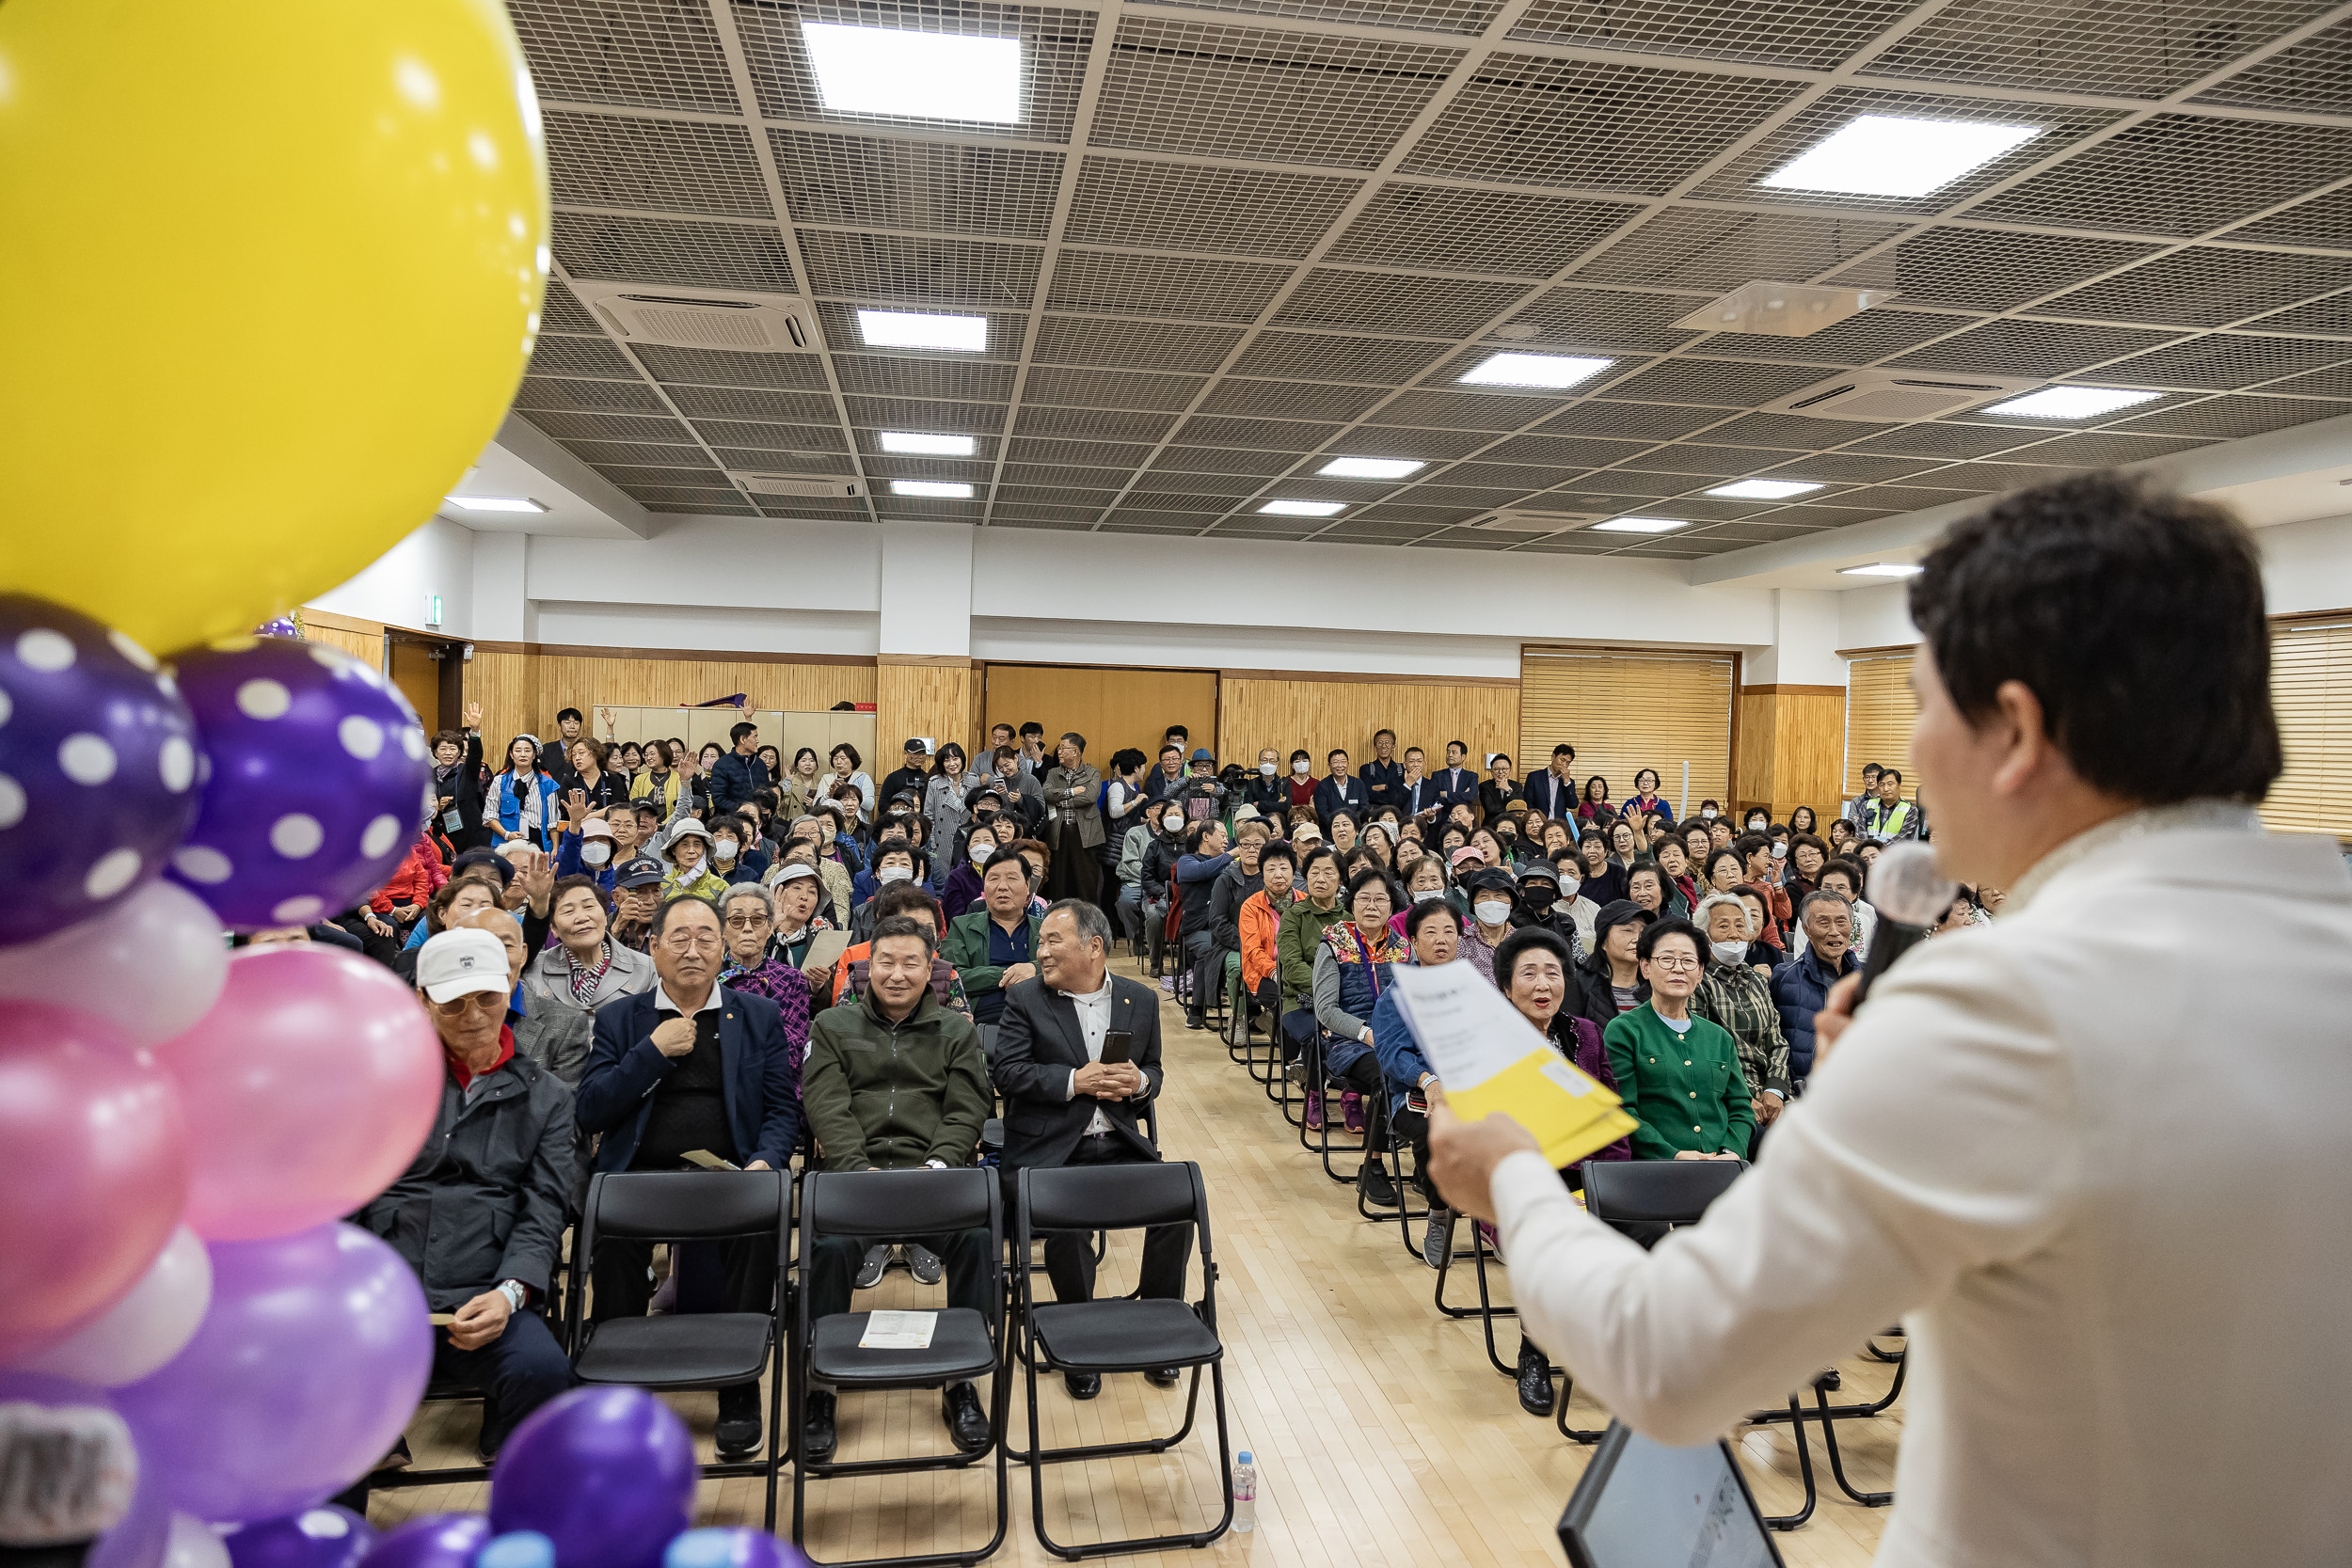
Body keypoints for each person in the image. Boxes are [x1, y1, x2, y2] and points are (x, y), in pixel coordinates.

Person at [1424, 473, 2352, 1568]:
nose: (1908, 752)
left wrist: (1516, 1177)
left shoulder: (2006, 1005)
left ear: (2012, 728)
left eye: (1919, 703)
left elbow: (1665, 1359)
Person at [575, 895, 803, 1460]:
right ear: (652, 947)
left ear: (724, 946)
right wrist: (652, 1052)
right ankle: (623, 1388)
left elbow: (781, 1110)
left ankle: (737, 1385)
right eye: (679, 938)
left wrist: (765, 1161)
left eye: (707, 937)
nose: (694, 950)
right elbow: (592, 1110)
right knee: (613, 1241)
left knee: (759, 1222)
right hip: (640, 1177)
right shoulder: (621, 1020)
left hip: (730, 1176)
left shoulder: (757, 1016)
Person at [360, 927, 575, 1463]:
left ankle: (527, 1524)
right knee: (323, 1382)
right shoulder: (381, 1084)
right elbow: (347, 1197)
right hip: (385, 1294)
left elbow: (545, 1207)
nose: (475, 1014)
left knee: (543, 1372)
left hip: (485, 1286)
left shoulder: (546, 1097)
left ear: (509, 986)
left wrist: (510, 1292)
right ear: (422, 1002)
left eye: (487, 996)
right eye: (453, 1002)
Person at [798, 915, 996, 1457]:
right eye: (886, 961)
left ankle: (963, 1381)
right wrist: (856, 1169)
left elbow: (967, 1109)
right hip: (854, 1180)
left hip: (932, 1181)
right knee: (828, 1248)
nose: (898, 973)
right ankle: (821, 1386)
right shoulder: (833, 1028)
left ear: (931, 969)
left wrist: (935, 1168)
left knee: (980, 1240)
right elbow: (826, 1106)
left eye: (912, 962)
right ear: (866, 968)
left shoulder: (956, 1030)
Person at [989, 900, 1184, 1398]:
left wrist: (1139, 1082)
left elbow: (1155, 1069)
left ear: (1093, 947)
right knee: (1068, 1223)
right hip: (1052, 1150)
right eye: (1040, 942)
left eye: (1054, 941)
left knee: (1179, 1204)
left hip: (1118, 1141)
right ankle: (1076, 1336)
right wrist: (1075, 1081)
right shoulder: (1027, 1000)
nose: (1042, 952)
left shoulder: (1139, 1000)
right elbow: (1007, 1073)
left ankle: (1159, 1330)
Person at [1310, 870, 1406, 1205]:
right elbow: (1325, 1010)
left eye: (1380, 899)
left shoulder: (1402, 948)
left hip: (1396, 1038)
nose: (1372, 906)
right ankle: (1374, 1166)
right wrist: (1365, 1033)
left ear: (1391, 905)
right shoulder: (1334, 943)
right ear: (1350, 903)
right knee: (1386, 1075)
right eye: (1364, 898)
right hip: (1348, 1042)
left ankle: (1426, 1165)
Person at [1690, 893, 1791, 1155]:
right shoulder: (1697, 982)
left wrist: (1776, 1090)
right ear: (1705, 935)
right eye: (1723, 926)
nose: (1734, 934)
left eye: (1739, 925)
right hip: (1725, 1096)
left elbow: (1777, 1041)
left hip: (1771, 1091)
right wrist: (1743, 1097)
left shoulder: (1757, 980)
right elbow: (1702, 1050)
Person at [523, 874, 657, 1034]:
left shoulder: (646, 969)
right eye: (568, 911)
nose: (581, 917)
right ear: (554, 929)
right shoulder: (533, 970)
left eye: (589, 907)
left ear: (606, 917)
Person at [940, 847, 1042, 1034]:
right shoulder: (962, 926)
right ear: (984, 886)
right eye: (993, 879)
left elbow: (1065, 967)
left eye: (1012, 878)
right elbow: (952, 976)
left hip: (1039, 1019)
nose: (1002, 886)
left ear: (1028, 885)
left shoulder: (1045, 929)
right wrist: (1007, 974)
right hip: (980, 1023)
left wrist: (1033, 969)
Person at [1770, 889, 1859, 1092]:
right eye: (1823, 922)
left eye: (1841, 921)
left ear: (1851, 926)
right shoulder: (1784, 976)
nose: (1834, 931)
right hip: (1804, 1091)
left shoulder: (1868, 980)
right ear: (1807, 929)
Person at [1276, 847, 1349, 1083]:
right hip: (1300, 1000)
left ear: (1340, 879)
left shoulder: (1349, 918)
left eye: (1329, 872)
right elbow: (1292, 965)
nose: (1320, 879)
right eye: (1314, 872)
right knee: (1315, 1036)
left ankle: (1351, 1095)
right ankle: (1315, 1096)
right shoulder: (1294, 915)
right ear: (1305, 877)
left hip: (1344, 1000)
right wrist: (1328, 991)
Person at [1239, 839, 1300, 1031]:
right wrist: (1274, 971)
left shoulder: (1305, 902)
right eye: (1271, 869)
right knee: (1285, 999)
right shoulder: (1251, 906)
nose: (1278, 875)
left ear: (1293, 871)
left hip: (1297, 971)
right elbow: (1252, 950)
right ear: (1262, 874)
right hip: (1262, 972)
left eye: (1284, 868)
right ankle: (1291, 1057)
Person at [1040, 731, 1104, 905]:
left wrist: (1062, 802)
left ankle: (1089, 922)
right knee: (1058, 882)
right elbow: (1046, 794)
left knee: (1087, 883)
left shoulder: (1093, 773)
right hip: (1059, 833)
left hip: (1085, 834)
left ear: (1075, 751)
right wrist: (1071, 792)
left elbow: (1090, 797)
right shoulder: (1053, 773)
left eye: (1063, 748)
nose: (1059, 752)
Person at [431, 704, 491, 851]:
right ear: (435, 753)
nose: (448, 753)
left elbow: (476, 755)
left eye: (453, 749)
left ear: (459, 753)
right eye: (443, 749)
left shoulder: (467, 770)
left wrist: (475, 731)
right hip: (443, 836)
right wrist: (437, 806)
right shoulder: (429, 776)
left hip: (473, 836)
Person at [489, 735, 558, 849]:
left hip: (537, 841)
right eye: (518, 750)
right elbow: (490, 815)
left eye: (527, 750)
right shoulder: (499, 781)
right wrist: (506, 834)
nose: (523, 754)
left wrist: (555, 848)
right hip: (506, 841)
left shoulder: (548, 783)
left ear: (534, 754)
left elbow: (553, 822)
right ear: (511, 754)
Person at [1457, 870, 1517, 983]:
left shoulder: (1523, 941)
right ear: (1473, 904)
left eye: (1499, 896)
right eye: (1483, 896)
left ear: (1511, 903)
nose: (1492, 902)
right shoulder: (1460, 941)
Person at [709, 719, 771, 820]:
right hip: (731, 820)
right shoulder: (722, 765)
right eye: (755, 737)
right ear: (742, 739)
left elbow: (766, 792)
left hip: (759, 820)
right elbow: (719, 799)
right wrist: (745, 810)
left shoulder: (760, 764)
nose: (758, 741)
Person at [659, 816, 729, 902]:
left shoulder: (720, 887)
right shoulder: (662, 886)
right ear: (673, 850)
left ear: (704, 849)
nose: (691, 851)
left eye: (697, 844)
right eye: (685, 845)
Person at [1858, 765, 1921, 843]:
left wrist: (1879, 849)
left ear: (1899, 785)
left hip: (1895, 854)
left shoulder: (1910, 809)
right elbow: (1861, 833)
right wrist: (1870, 850)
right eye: (1882, 785)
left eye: (1890, 784)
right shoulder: (1867, 805)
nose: (1886, 789)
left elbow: (1904, 838)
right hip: (1869, 853)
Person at [1521, 744, 1576, 820]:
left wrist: (1566, 782)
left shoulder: (1569, 782)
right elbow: (1528, 803)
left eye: (1568, 763)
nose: (1564, 765)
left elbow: (1573, 805)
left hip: (1559, 825)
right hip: (1539, 823)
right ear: (1553, 757)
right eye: (1562, 760)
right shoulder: (1534, 777)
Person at [1359, 729, 1405, 816]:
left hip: (1398, 815)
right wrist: (1394, 794)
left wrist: (1385, 787)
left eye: (1387, 742)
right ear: (1375, 746)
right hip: (1375, 815)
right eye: (1380, 742)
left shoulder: (1402, 768)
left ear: (1393, 745)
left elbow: (1404, 792)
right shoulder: (1366, 768)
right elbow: (1368, 794)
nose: (1384, 746)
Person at [1478, 753, 1520, 826]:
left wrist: (1508, 789)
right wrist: (1511, 809)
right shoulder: (1484, 786)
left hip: (1513, 825)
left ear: (1510, 770)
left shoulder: (1517, 786)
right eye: (1496, 769)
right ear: (1491, 771)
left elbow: (1519, 807)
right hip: (1491, 825)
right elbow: (1490, 809)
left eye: (1504, 769)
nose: (1500, 772)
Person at [1843, 761, 1883, 831]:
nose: (1870, 780)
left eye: (1874, 777)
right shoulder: (1857, 801)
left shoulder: (1887, 800)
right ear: (1863, 779)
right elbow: (1852, 826)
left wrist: (1861, 821)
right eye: (1867, 777)